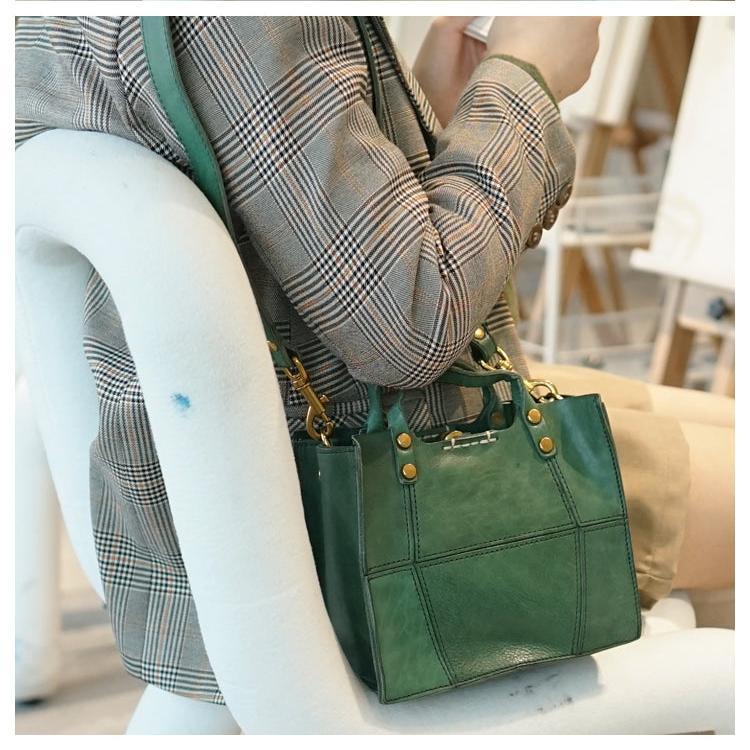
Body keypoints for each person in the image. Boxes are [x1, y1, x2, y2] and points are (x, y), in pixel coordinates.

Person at [15, 15, 733, 706]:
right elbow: (412, 323)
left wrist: (425, 124)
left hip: (242, 471)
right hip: (363, 518)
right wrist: (525, 80)